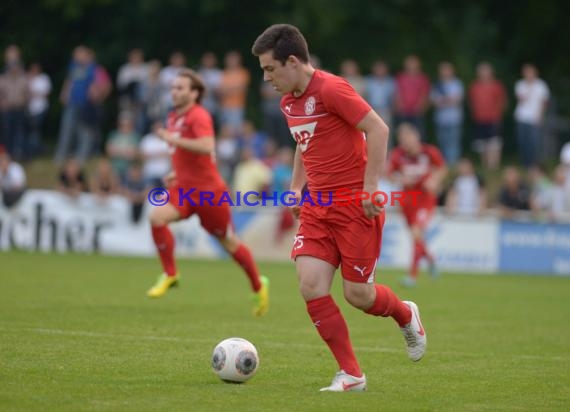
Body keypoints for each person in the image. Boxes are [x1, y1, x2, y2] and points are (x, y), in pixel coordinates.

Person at [252, 24, 426, 392]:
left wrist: (370, 188)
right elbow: (304, 141)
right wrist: (296, 187)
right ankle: (352, 374)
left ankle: (406, 313)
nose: (265, 77)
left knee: (358, 295)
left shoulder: (331, 89)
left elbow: (378, 129)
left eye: (270, 68)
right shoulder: (288, 102)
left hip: (353, 207)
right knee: (310, 285)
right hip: (317, 206)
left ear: (293, 61)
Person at [145, 68, 269, 318]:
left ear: (194, 93)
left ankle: (258, 285)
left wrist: (173, 139)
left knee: (229, 242)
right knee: (157, 217)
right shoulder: (173, 117)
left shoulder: (198, 115)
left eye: (180, 88)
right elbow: (183, 154)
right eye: (173, 87)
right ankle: (170, 274)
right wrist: (175, 173)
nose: (174, 92)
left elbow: (206, 146)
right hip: (184, 189)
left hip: (209, 193)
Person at [387, 123, 447, 287]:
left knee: (416, 233)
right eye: (402, 139)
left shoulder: (429, 152)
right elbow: (389, 175)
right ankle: (431, 260)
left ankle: (412, 276)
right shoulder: (398, 155)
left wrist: (434, 180)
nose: (405, 142)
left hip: (425, 199)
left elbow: (442, 169)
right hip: (407, 198)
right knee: (415, 236)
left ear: (416, 137)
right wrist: (401, 180)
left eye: (408, 137)